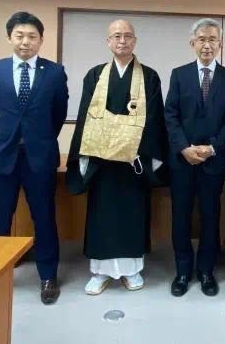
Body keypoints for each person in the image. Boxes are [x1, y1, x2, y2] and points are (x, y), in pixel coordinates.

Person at [65, 19, 167, 296]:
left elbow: (155, 119)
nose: (122, 41)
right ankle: (100, 271)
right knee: (102, 215)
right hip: (102, 163)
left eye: (128, 36)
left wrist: (134, 148)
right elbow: (86, 117)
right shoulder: (95, 75)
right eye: (117, 36)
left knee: (132, 214)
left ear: (135, 41)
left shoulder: (149, 77)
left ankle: (132, 270)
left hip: (134, 162)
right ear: (108, 41)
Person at [0, 11, 68, 305]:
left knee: (44, 218)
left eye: (32, 36)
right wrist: (10, 135)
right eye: (19, 35)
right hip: (2, 156)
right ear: (10, 38)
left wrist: (37, 138)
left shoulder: (54, 73)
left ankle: (48, 276)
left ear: (41, 40)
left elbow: (58, 114)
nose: (25, 41)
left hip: (40, 157)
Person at [164, 18, 225, 297]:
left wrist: (212, 148)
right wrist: (184, 148)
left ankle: (207, 271)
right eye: (201, 39)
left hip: (214, 161)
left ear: (220, 44)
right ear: (192, 43)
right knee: (181, 217)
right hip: (182, 161)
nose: (207, 45)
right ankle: (183, 272)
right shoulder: (179, 74)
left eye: (212, 39)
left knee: (211, 217)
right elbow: (170, 115)